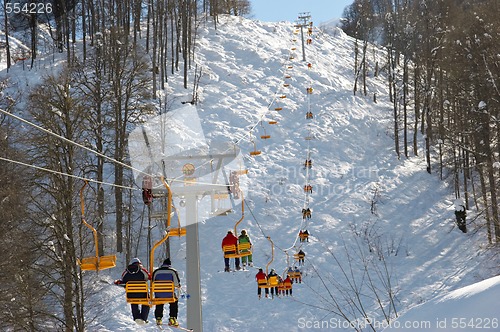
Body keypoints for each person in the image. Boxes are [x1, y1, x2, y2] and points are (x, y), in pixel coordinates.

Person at [115, 257, 151, 325]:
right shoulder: (142, 271)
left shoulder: (126, 272)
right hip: (143, 294)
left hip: (131, 294)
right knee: (146, 302)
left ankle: (136, 317)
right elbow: (149, 277)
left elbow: (123, 280)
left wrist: (118, 282)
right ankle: (143, 318)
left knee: (134, 301)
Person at [152, 258, 181, 327]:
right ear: (169, 265)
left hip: (158, 293)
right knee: (174, 301)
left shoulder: (156, 272)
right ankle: (172, 318)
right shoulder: (172, 271)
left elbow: (152, 282)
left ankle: (158, 318)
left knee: (159, 301)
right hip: (169, 294)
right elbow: (176, 284)